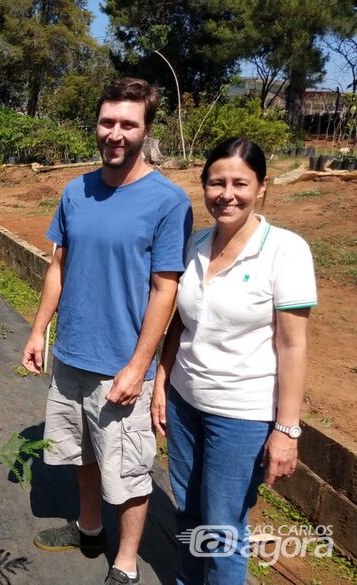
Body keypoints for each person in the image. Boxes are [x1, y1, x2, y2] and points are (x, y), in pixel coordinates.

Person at [21, 77, 193, 585]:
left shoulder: (167, 201)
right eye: (107, 122)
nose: (115, 133)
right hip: (72, 357)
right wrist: (38, 332)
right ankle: (91, 529)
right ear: (96, 125)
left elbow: (167, 290)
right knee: (82, 452)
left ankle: (126, 565)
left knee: (131, 472)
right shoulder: (76, 191)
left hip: (122, 365)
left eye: (127, 124)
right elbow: (59, 265)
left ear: (146, 130)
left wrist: (139, 367)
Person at [151, 137, 317, 585]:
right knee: (187, 511)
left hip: (241, 416)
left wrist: (286, 429)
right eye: (216, 183)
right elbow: (179, 325)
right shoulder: (196, 244)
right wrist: (161, 383)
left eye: (240, 183)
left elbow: (293, 345)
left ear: (261, 187)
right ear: (203, 187)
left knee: (223, 529)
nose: (227, 194)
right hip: (185, 404)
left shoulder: (285, 250)